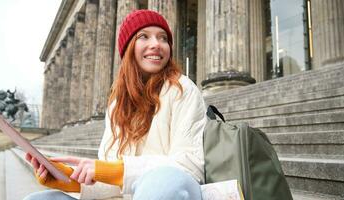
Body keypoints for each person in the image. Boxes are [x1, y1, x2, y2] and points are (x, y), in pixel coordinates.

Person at [24, 9, 207, 200]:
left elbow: (189, 165)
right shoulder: (117, 105)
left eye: (163, 38)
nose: (156, 44)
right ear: (128, 48)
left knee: (161, 183)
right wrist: (68, 179)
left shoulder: (183, 89)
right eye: (143, 36)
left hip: (174, 190)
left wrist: (119, 170)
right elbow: (112, 183)